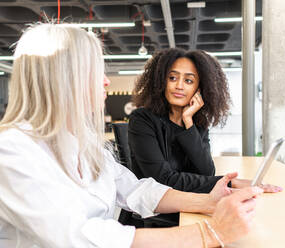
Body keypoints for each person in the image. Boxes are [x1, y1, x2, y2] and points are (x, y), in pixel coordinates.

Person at [0, 23, 264, 247]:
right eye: (96, 71)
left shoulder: (81, 143)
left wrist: (207, 201)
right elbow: (78, 238)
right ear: (63, 78)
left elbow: (135, 189)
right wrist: (209, 232)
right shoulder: (12, 151)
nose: (106, 81)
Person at [129, 48, 282, 194]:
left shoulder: (197, 124)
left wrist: (188, 122)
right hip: (155, 214)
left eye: (189, 81)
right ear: (161, 82)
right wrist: (229, 183)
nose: (179, 86)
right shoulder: (142, 119)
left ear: (200, 89)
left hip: (188, 203)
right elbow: (163, 180)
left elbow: (207, 171)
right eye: (172, 78)